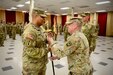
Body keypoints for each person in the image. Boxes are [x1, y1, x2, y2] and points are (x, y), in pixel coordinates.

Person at [22, 8, 49, 75]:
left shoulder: (41, 28)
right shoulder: (30, 31)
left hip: (41, 64)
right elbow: (30, 51)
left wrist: (47, 39)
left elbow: (42, 39)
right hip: (32, 68)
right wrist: (47, 50)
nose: (44, 20)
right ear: (35, 16)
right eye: (42, 17)